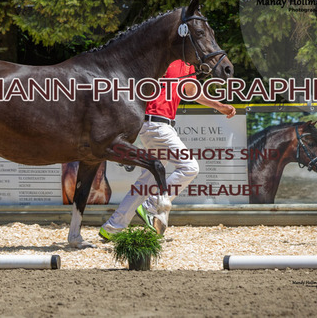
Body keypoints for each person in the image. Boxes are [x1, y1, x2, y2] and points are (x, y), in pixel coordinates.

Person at [99, 59, 236, 240]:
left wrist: (219, 106)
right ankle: (152, 205)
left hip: (159, 126)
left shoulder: (187, 66)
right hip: (155, 125)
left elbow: (192, 92)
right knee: (189, 167)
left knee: (147, 181)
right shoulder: (164, 56)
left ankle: (112, 227)